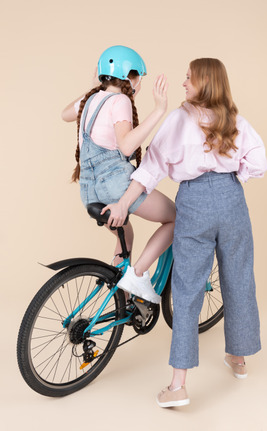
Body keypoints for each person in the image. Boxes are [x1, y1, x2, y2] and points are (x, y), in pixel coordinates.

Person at [101, 58, 267, 407]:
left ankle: (178, 386)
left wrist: (123, 203)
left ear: (204, 83)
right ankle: (238, 359)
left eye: (189, 78)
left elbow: (150, 170)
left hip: (195, 202)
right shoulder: (233, 119)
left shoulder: (179, 119)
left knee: (188, 289)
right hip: (232, 200)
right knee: (239, 279)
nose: (183, 84)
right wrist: (234, 179)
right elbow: (258, 163)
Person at [62, 45, 176, 304]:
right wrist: (158, 110)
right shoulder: (120, 101)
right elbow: (126, 146)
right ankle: (138, 274)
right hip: (115, 186)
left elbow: (64, 114)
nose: (139, 85)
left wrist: (94, 86)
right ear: (130, 77)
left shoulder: (91, 99)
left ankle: (121, 300)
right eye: (139, 79)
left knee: (127, 236)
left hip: (89, 190)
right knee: (175, 218)